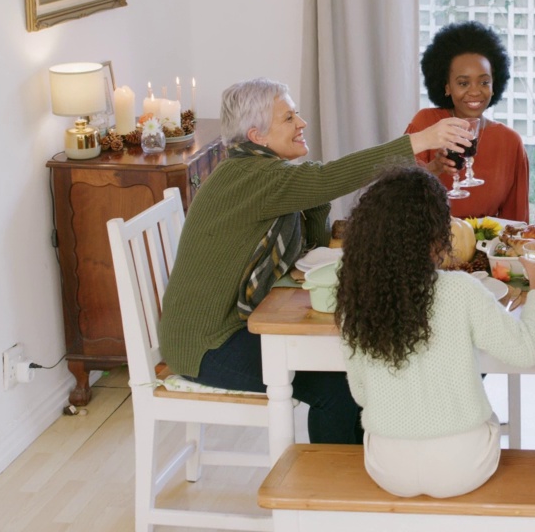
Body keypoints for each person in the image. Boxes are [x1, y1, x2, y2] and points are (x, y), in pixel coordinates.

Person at [158, 78, 471, 445]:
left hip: (234, 328)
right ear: (256, 135)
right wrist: (420, 140)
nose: (302, 123)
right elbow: (327, 179)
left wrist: (315, 194)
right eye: (288, 118)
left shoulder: (264, 175)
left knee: (354, 371)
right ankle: (333, 492)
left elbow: (313, 244)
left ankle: (369, 464)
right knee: (338, 387)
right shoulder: (250, 179)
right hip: (207, 345)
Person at [337, 165, 535, 497]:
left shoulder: (357, 300)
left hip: (387, 468)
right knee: (488, 420)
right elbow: (525, 352)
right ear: (436, 237)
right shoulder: (459, 290)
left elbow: (361, 396)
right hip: (464, 466)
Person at [406, 21, 530, 222]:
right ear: (447, 87)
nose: (475, 91)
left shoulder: (510, 142)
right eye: (463, 83)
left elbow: (516, 220)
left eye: (484, 82)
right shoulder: (426, 123)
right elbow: (400, 195)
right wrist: (435, 168)